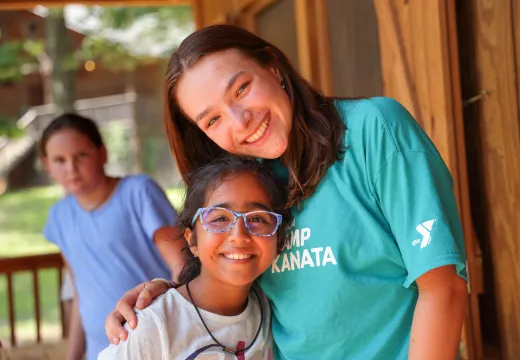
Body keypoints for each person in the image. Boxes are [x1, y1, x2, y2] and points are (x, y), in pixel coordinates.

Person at [105, 25, 468, 360]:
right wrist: (167, 297)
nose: (239, 120)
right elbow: (226, 281)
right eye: (212, 119)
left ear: (274, 67)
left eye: (241, 88)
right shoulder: (249, 186)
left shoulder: (372, 129)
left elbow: (443, 288)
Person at [98, 156, 290, 359]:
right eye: (220, 218)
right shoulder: (153, 325)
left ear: (278, 241)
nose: (239, 236)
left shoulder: (271, 307)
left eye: (258, 218)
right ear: (192, 241)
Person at [41, 113, 182, 360]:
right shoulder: (59, 216)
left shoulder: (138, 192)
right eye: (60, 160)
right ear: (47, 166)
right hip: (102, 352)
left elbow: (183, 268)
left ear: (102, 153)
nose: (71, 169)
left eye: (81, 155)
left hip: (155, 343)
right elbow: (80, 291)